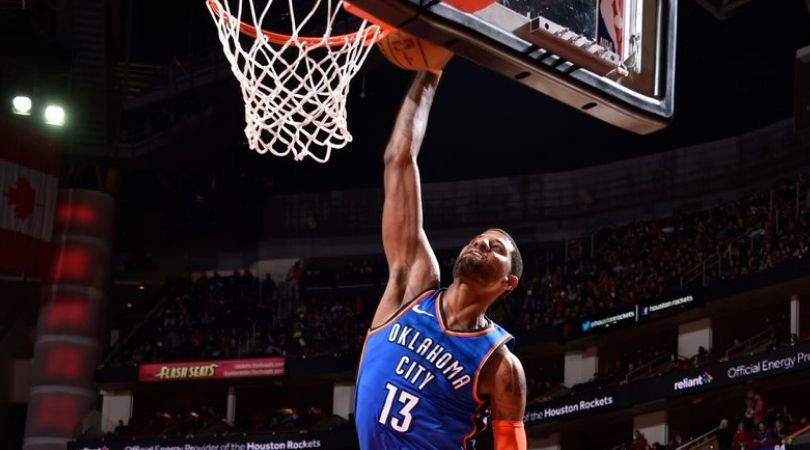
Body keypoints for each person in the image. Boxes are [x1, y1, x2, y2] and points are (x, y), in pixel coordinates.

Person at [354, 71, 527, 449]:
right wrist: (429, 71)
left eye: (497, 248)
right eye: (479, 238)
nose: (482, 243)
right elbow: (399, 160)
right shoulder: (412, 284)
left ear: (508, 282)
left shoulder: (501, 366)